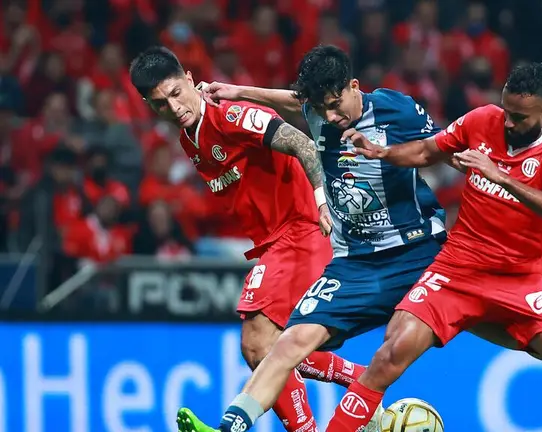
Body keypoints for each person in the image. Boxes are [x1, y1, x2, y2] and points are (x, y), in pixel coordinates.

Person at [323, 62, 542, 432]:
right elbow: (427, 151)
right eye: (506, 111)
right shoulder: (484, 119)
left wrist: (498, 174)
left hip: (518, 279)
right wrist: (381, 152)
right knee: (389, 354)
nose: (508, 123)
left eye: (518, 117)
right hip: (456, 270)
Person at [177, 45, 447, 432]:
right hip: (356, 261)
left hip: (417, 250)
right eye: (322, 108)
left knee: (420, 340)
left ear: (355, 87)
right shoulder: (318, 112)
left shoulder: (395, 109)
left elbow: (448, 148)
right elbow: (297, 103)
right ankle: (229, 428)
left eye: (337, 104)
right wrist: (241, 91)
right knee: (285, 344)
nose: (331, 117)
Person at [129, 46, 369, 432]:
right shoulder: (188, 139)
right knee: (271, 347)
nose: (173, 108)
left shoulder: (231, 116)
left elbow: (303, 144)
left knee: (258, 343)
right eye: (160, 104)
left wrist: (322, 202)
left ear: (190, 79)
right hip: (274, 243)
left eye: (176, 93)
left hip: (300, 230)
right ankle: (359, 377)